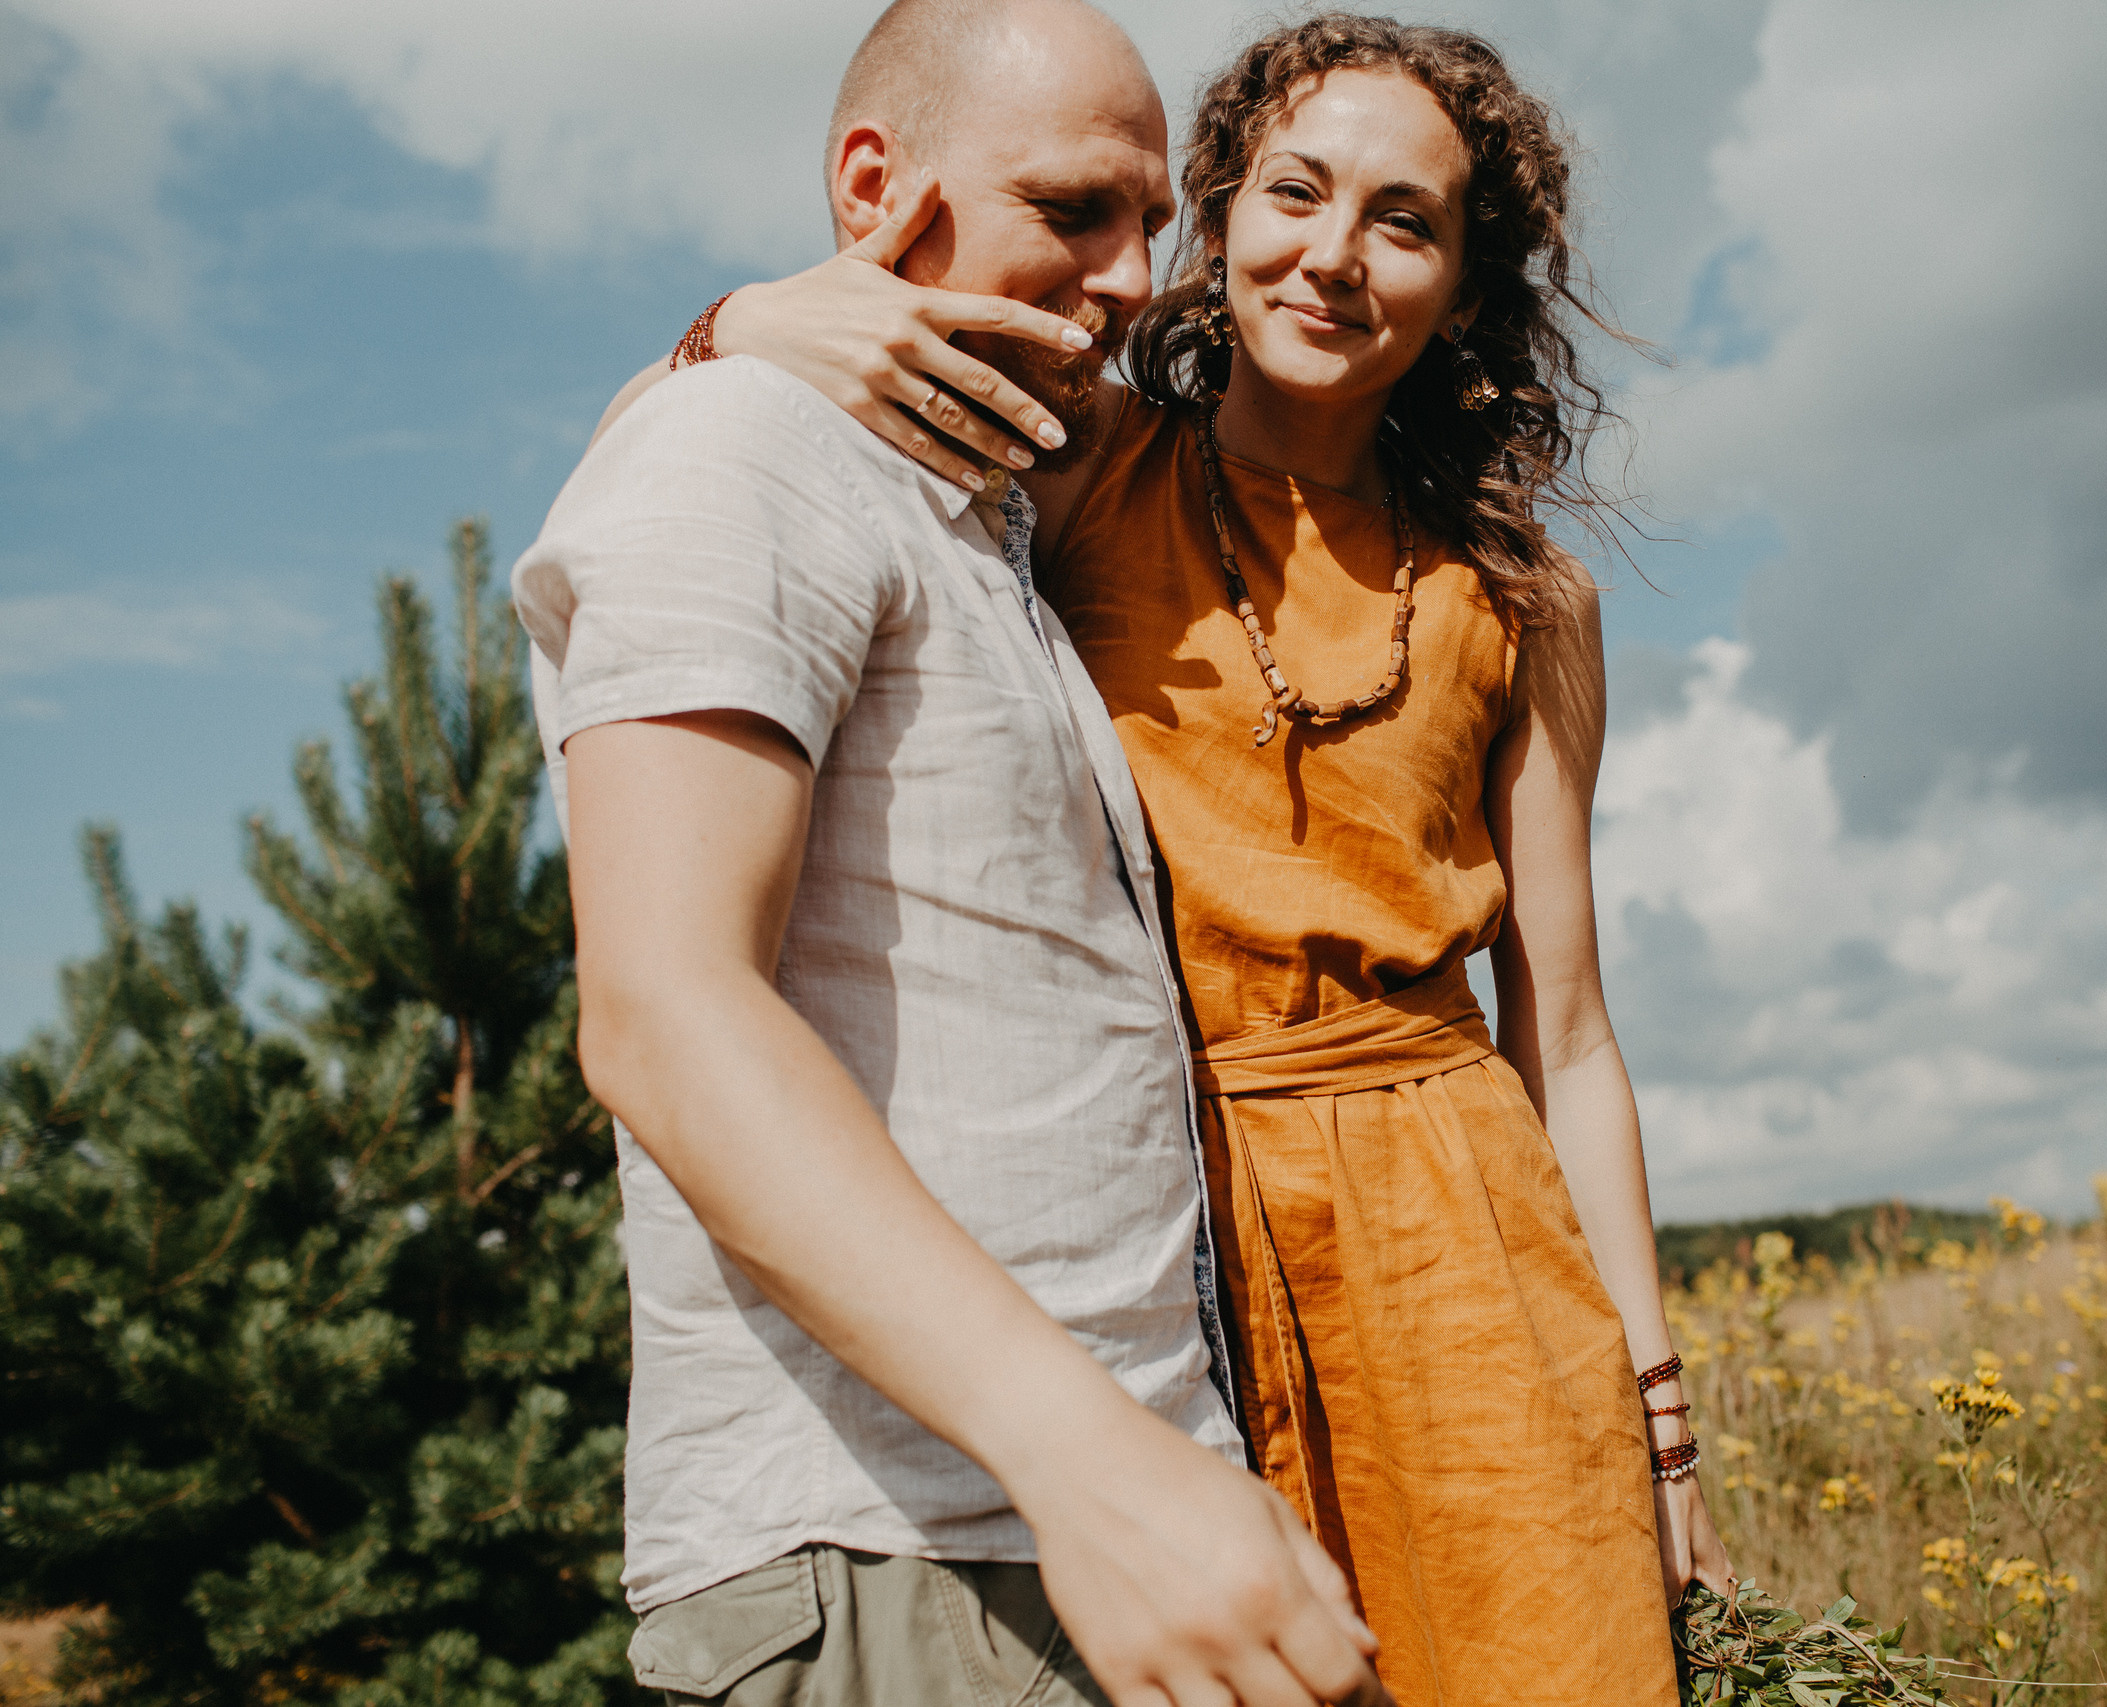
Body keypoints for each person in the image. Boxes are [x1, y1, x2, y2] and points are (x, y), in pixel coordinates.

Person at [597, 14, 1740, 1705]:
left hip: (1466, 1249)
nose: (1335, 255)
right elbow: (680, 461)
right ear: (1218, 218)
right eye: (1297, 192)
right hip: (1180, 1237)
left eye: (1406, 222)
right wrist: (750, 319)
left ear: (1461, 289)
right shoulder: (1078, 465)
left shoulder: (1525, 598)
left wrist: (1660, 1417)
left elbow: (1565, 1035)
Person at [514, 2, 1391, 1704]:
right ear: (873, 186)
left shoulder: (984, 510)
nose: (1133, 276)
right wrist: (1094, 1464)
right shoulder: (740, 448)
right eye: (1072, 210)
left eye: (1152, 222)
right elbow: (665, 1015)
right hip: (899, 1554)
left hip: (1099, 1535)